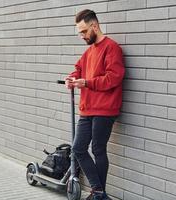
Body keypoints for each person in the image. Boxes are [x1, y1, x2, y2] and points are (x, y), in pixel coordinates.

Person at [65, 9, 125, 200]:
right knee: (78, 149)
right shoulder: (89, 52)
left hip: (105, 109)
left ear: (95, 26)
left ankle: (98, 193)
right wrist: (71, 79)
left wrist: (87, 82)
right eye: (79, 32)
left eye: (83, 32)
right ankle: (99, 192)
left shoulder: (112, 48)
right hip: (88, 108)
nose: (82, 36)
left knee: (98, 149)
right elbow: (78, 69)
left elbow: (113, 78)